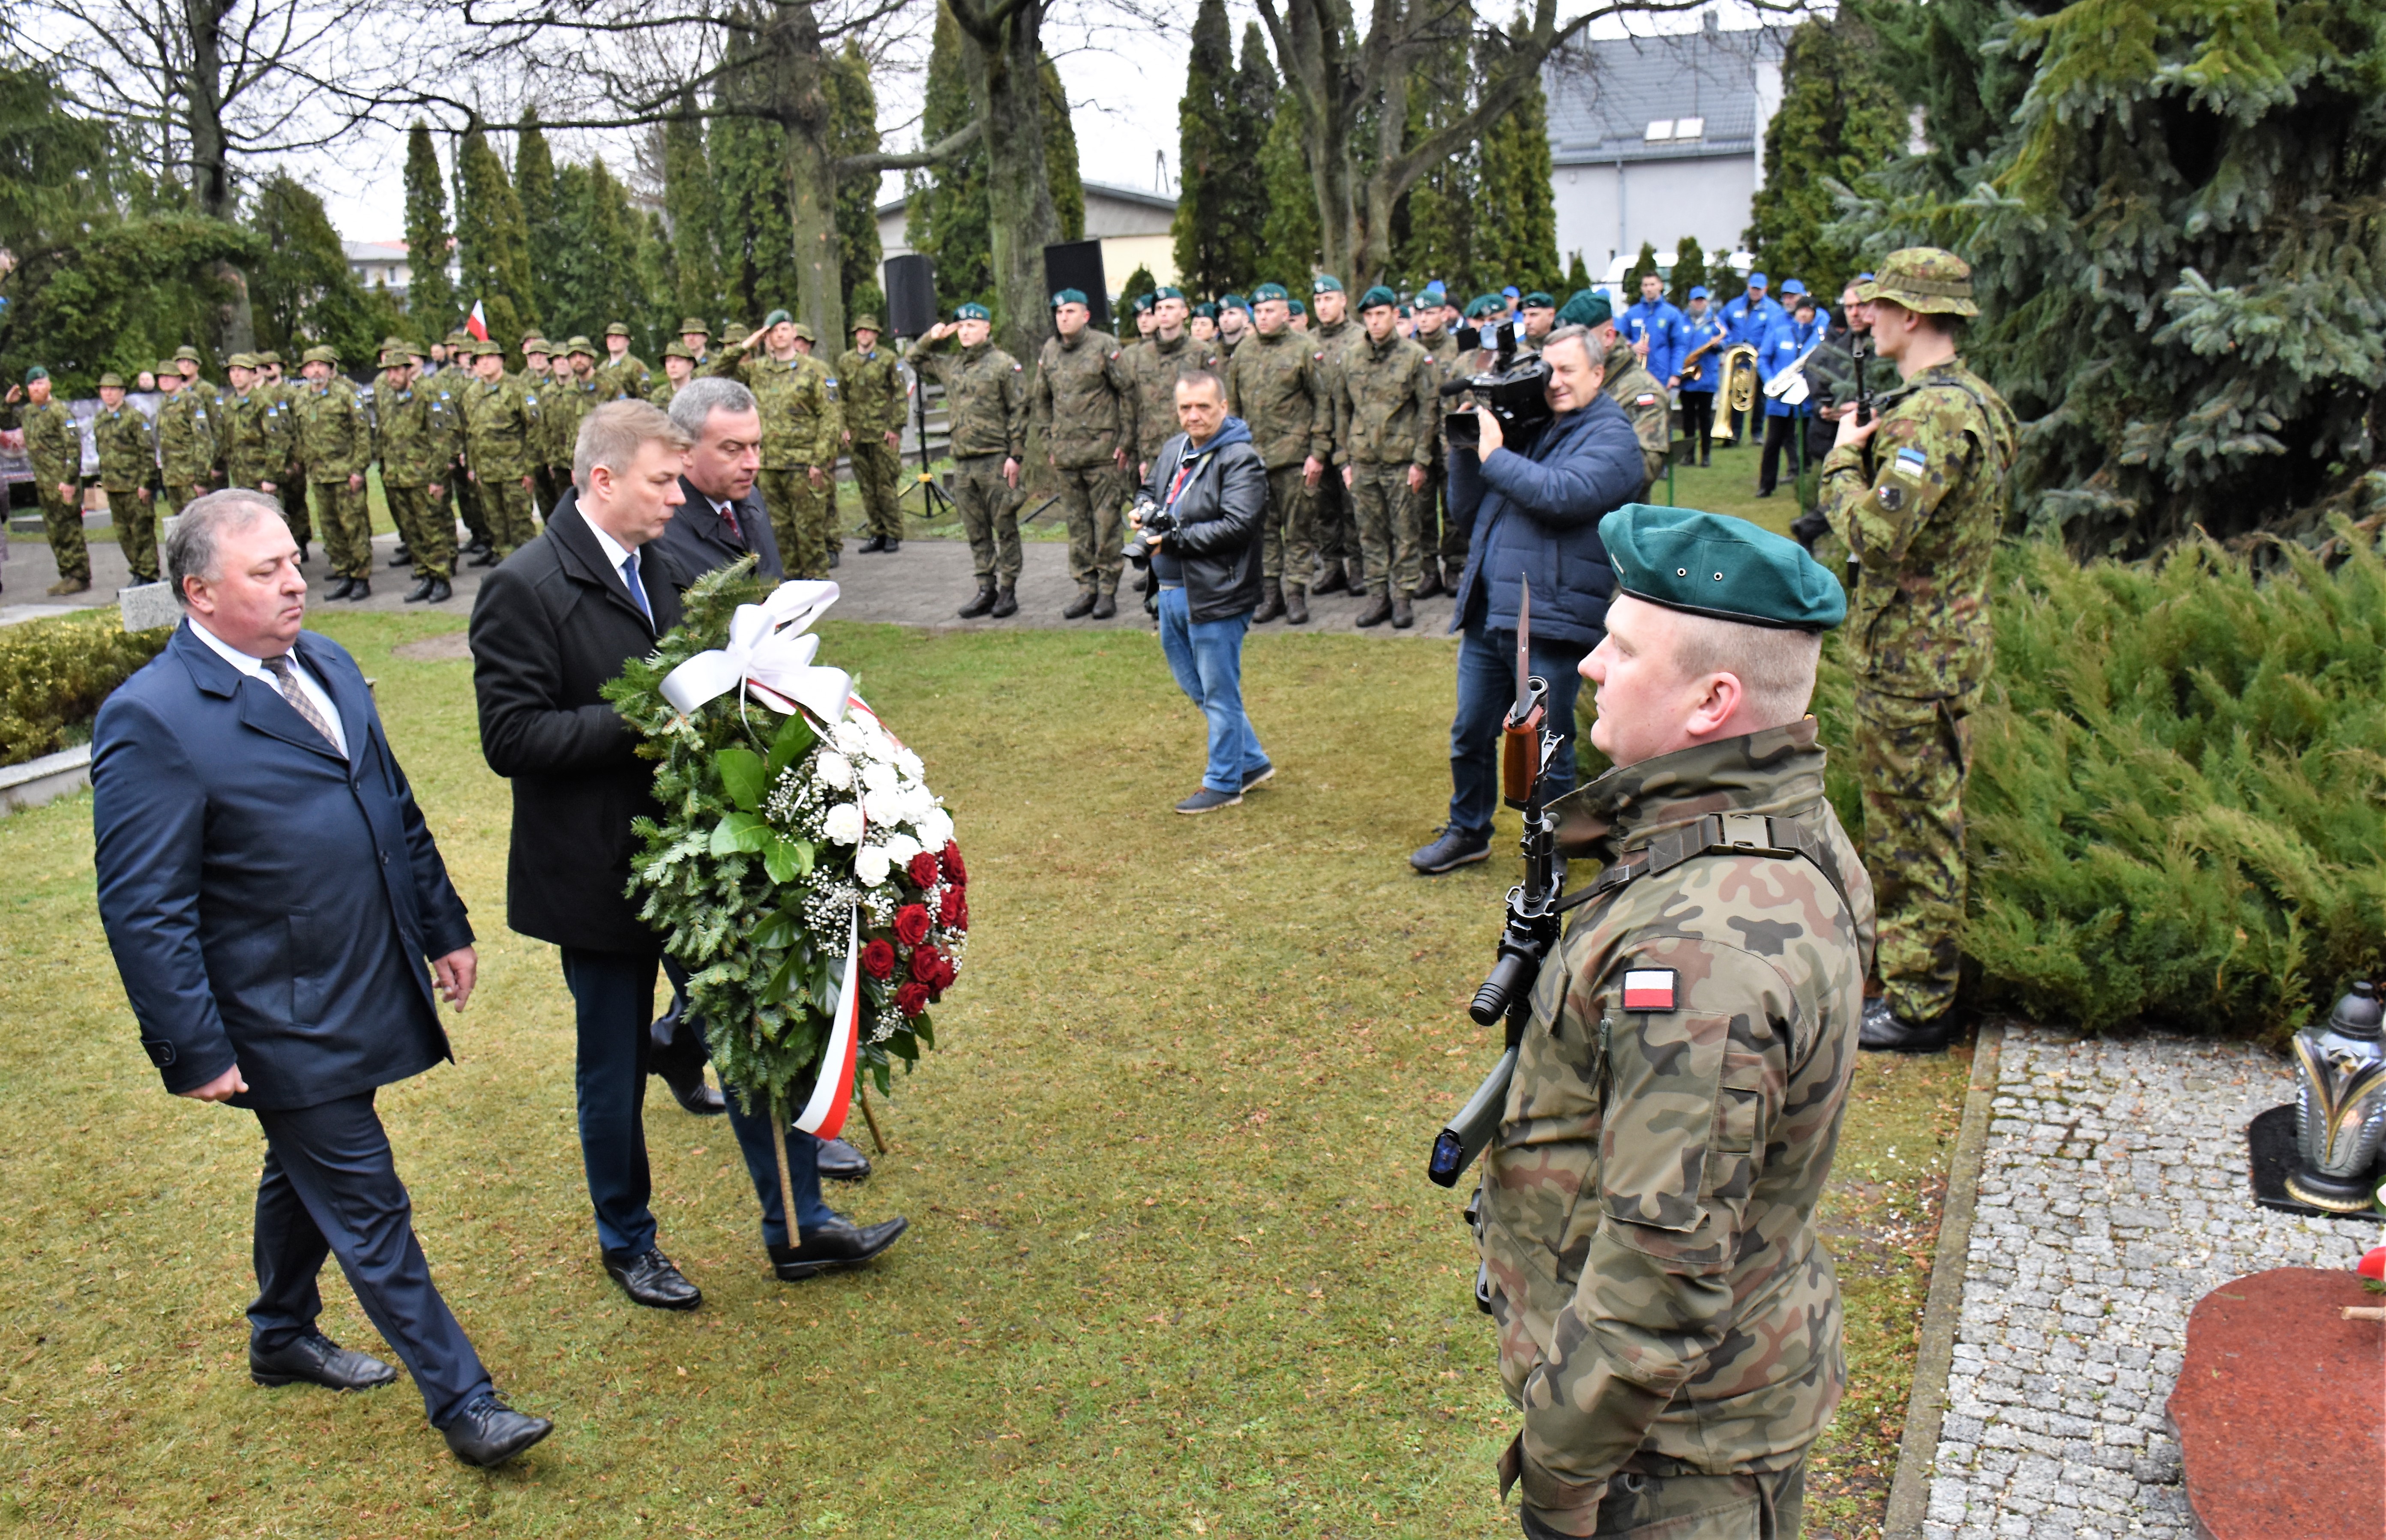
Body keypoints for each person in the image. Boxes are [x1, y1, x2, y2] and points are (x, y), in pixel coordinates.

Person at [91, 489, 552, 1468]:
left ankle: (278, 1332)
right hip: (270, 1010)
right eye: (268, 571)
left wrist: (442, 926)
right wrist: (196, 1047)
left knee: (302, 1168)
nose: (297, 581)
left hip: (358, 978)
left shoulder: (329, 664)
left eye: (295, 561)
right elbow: (145, 906)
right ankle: (466, 1401)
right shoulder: (153, 718)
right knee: (366, 1194)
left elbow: (392, 804)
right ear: (199, 593)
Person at [1477, 502, 1871, 1540]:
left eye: (1622, 645)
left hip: (1670, 1460)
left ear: (1712, 700)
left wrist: (1559, 1479)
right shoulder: (1775, 818)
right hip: (1708, 1411)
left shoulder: (1703, 953)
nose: (1593, 665)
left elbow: (1662, 1271)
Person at [472, 401, 906, 1304]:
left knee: (752, 1031)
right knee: (613, 1066)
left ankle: (799, 1224)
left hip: (698, 856)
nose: (679, 497)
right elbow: (511, 738)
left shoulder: (661, 565)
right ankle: (627, 1241)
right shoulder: (524, 585)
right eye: (662, 481)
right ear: (603, 481)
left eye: (679, 479)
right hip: (596, 873)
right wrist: (645, 718)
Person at [1819, 248, 2017, 1055]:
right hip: (1942, 648)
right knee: (1924, 819)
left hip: (1913, 657)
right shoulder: (1976, 402)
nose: (1868, 319)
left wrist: (1840, 458)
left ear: (1910, 316)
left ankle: (1918, 1003)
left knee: (1913, 832)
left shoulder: (1927, 418)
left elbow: (1875, 533)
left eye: (1880, 307)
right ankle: (1913, 978)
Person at [1411, 324, 1645, 875]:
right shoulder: (1534, 428)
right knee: (1470, 732)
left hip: (1551, 617)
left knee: (1545, 744)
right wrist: (1468, 447)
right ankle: (1468, 831)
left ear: (1598, 372)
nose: (1556, 383)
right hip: (1493, 611)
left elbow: (1562, 495)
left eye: (1568, 371)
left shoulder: (1613, 438)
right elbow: (1470, 513)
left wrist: (1495, 455)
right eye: (1550, 371)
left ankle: (1552, 849)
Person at [1133, 370, 1269, 814]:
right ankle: (1249, 762)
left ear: (1224, 408)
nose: (1194, 416)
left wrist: (1172, 538)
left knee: (1219, 691)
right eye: (1185, 408)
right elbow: (1150, 490)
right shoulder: (1175, 448)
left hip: (1217, 594)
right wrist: (1142, 513)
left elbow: (1238, 526)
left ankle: (1224, 781)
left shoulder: (1240, 458)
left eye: (1203, 407)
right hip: (1172, 589)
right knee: (1197, 687)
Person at [1332, 285, 1440, 629]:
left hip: (1401, 459)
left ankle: (1403, 598)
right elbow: (1342, 411)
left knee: (1406, 532)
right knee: (1370, 533)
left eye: (1381, 314)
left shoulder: (1414, 356)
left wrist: (1421, 460)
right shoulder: (1350, 358)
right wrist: (1343, 461)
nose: (1375, 322)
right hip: (1363, 460)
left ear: (1395, 315)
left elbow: (1428, 411)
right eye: (1369, 316)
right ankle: (1377, 596)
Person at [1224, 282, 1331, 627]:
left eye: (1271, 311)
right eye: (1259, 311)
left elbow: (1323, 405)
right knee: (1263, 531)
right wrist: (1234, 453)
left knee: (1298, 529)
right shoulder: (1244, 352)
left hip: (1295, 457)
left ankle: (1297, 593)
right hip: (1254, 459)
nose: (1264, 317)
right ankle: (1271, 593)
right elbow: (1234, 408)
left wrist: (1318, 453)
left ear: (1286, 313)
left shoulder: (1306, 349)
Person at [709, 311, 842, 579]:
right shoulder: (758, 370)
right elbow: (718, 373)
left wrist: (820, 460)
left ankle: (816, 587)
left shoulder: (814, 370)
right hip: (768, 465)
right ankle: (790, 587)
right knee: (777, 531)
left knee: (810, 532)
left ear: (794, 333)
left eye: (784, 329)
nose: (779, 335)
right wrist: (747, 344)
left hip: (803, 465)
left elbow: (831, 416)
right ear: (766, 337)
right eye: (773, 331)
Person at [914, 305, 1028, 617]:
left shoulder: (1004, 365)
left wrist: (1015, 456)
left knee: (1004, 526)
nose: (965, 331)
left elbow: (1019, 410)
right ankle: (985, 588)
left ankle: (1008, 589)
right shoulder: (951, 365)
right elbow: (914, 359)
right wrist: (932, 337)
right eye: (961, 325)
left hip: (995, 459)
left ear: (987, 328)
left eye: (972, 325)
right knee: (976, 530)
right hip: (963, 462)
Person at [1031, 287, 1137, 618]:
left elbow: (1128, 392)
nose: (1064, 318)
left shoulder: (1104, 346)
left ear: (1086, 316)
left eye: (1071, 312)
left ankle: (1107, 590)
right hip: (1066, 457)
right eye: (1060, 313)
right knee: (1077, 527)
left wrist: (1127, 441)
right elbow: (1041, 399)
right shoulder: (1050, 350)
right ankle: (1085, 588)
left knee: (1106, 525)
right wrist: (1049, 441)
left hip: (1103, 454)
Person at [373, 348, 462, 604]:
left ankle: (441, 578)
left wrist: (437, 477)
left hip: (423, 476)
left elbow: (440, 439)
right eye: (388, 372)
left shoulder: (427, 394)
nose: (392, 376)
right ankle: (425, 575)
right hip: (398, 477)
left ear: (408, 370)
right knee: (412, 532)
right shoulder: (388, 399)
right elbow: (384, 437)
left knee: (431, 528)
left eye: (397, 370)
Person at [1122, 287, 1223, 485]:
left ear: (1184, 313)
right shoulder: (1141, 356)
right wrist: (1136, 455)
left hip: (1196, 446)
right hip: (1154, 452)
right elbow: (1133, 406)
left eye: (1170, 307)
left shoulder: (1201, 352)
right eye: (1159, 309)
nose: (1164, 313)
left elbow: (1216, 401)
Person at [6, 368, 90, 593]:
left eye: (40, 384)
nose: (36, 389)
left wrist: (70, 481)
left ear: (49, 385)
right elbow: (6, 422)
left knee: (70, 529)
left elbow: (74, 449)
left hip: (62, 482)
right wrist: (8, 404)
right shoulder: (29, 413)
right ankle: (67, 574)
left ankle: (80, 576)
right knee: (55, 532)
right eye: (32, 385)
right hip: (44, 484)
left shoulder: (60, 412)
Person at [462, 340, 542, 558]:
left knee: (520, 526)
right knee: (496, 525)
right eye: (479, 359)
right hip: (487, 472)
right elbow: (472, 434)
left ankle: (530, 572)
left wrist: (529, 469)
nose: (485, 362)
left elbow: (534, 429)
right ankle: (506, 572)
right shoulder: (471, 395)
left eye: (490, 357)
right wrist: (473, 468)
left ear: (501, 360)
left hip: (514, 471)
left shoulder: (518, 388)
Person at [1306, 276, 1359, 595]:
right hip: (1317, 436)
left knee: (1354, 507)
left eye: (1329, 299)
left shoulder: (1359, 338)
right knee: (1323, 508)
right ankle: (1332, 568)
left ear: (1343, 301)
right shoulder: (1307, 342)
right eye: (1318, 301)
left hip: (1351, 436)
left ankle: (1358, 569)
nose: (1323, 306)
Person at [838, 315, 908, 554]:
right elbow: (842, 399)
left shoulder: (888, 359)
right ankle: (876, 531)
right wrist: (843, 427)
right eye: (860, 331)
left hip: (882, 433)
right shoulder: (846, 361)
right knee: (866, 487)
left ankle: (893, 533)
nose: (864, 335)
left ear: (876, 334)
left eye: (869, 331)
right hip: (858, 434)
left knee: (885, 484)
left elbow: (900, 395)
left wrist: (895, 427)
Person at [1411, 290, 1465, 598]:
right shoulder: (1409, 350)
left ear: (1444, 315)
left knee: (1452, 507)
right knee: (1421, 509)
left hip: (1450, 439)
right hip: (1418, 441)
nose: (1424, 319)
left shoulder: (1457, 349)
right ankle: (1428, 569)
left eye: (1430, 313)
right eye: (1420, 314)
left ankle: (1454, 567)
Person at [93, 372, 161, 584]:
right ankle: (138, 570)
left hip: (134, 485)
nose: (109, 393)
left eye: (113, 389)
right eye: (105, 389)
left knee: (142, 529)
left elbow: (147, 452)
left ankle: (149, 573)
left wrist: (146, 483)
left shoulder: (134, 418)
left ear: (122, 392)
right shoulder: (101, 419)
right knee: (124, 533)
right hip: (114, 486)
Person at [1756, 288, 1821, 498]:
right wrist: (1771, 380)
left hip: (1805, 400)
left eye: (1809, 311)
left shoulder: (1819, 338)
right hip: (1780, 398)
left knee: (1807, 443)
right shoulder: (1780, 333)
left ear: (1814, 314)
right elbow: (1764, 358)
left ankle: (1806, 486)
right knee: (1773, 442)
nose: (1804, 314)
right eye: (1801, 309)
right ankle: (1766, 485)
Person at [153, 359, 218, 524]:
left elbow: (203, 441)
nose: (164, 380)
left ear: (179, 378)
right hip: (172, 477)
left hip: (190, 477)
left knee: (199, 524)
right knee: (181, 525)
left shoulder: (191, 400)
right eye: (161, 377)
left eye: (169, 376)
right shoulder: (164, 405)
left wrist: (202, 479)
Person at [1722, 272, 1783, 441]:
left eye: (1759, 289)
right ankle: (1734, 432)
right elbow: (1720, 324)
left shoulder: (1773, 309)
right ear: (1748, 287)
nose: (1755, 292)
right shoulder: (1734, 306)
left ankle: (1757, 433)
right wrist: (1727, 342)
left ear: (1766, 289)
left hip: (1759, 359)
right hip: (1737, 358)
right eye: (1752, 288)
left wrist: (1765, 348)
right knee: (1736, 394)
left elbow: (1775, 332)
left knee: (1759, 397)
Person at [1673, 287, 1727, 466]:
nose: (1699, 303)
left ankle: (1706, 454)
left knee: (1705, 418)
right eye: (1696, 300)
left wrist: (1719, 345)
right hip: (1687, 376)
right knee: (1688, 418)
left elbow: (1727, 340)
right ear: (1690, 302)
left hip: (1706, 377)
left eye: (1703, 300)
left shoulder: (1715, 322)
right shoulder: (1682, 321)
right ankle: (1689, 455)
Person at [1622, 270, 1685, 392]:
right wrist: (1632, 346)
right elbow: (1620, 339)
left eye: (1652, 285)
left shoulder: (1672, 314)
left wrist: (1675, 374)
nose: (1649, 289)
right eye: (1645, 285)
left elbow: (1679, 346)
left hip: (1662, 375)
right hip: (1636, 374)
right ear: (1641, 288)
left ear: (1661, 286)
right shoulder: (1632, 313)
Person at [596, 323, 650, 403]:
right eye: (610, 337)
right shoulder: (602, 368)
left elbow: (646, 399)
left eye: (618, 336)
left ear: (627, 341)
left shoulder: (637, 366)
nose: (614, 340)